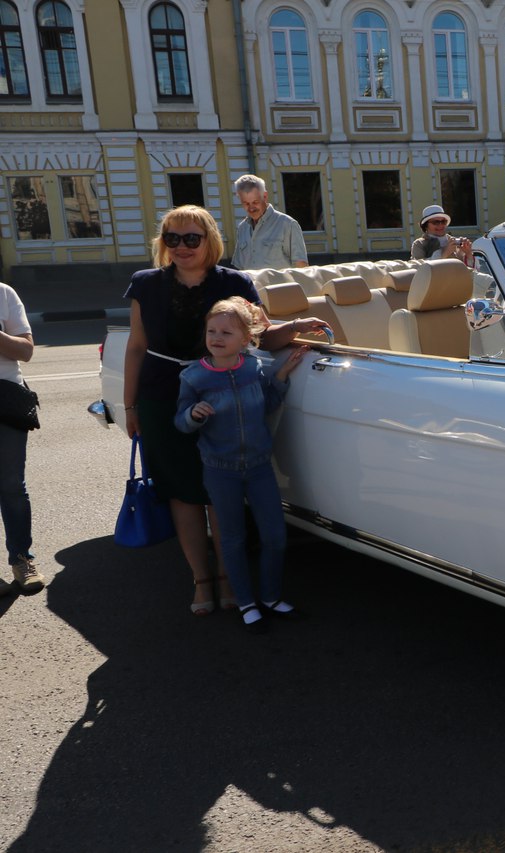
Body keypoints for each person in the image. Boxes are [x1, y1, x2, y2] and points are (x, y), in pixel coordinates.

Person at [123, 205, 329, 615]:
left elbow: (261, 335)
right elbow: (136, 346)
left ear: (209, 240)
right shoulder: (145, 284)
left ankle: (227, 575)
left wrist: (295, 327)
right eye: (172, 239)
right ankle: (202, 578)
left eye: (191, 238)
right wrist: (130, 405)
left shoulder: (233, 281)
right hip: (164, 395)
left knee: (220, 492)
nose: (181, 247)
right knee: (183, 493)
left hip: (225, 394)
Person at [175, 297, 308, 632]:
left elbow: (269, 403)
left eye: (226, 332)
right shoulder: (194, 378)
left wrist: (283, 373)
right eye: (212, 331)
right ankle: (246, 602)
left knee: (275, 536)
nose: (217, 338)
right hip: (220, 469)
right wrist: (193, 414)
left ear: (247, 339)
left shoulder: (254, 368)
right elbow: (180, 421)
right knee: (232, 539)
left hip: (260, 466)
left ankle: (272, 597)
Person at [0, 280, 41, 595]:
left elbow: (26, 350)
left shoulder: (4, 293)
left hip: (5, 399)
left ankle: (21, 560)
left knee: (11, 485)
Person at [231, 174, 308, 271]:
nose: (251, 208)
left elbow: (301, 268)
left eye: (255, 202)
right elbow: (239, 269)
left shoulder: (288, 225)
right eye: (246, 203)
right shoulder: (242, 228)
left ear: (265, 196)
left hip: (280, 286)